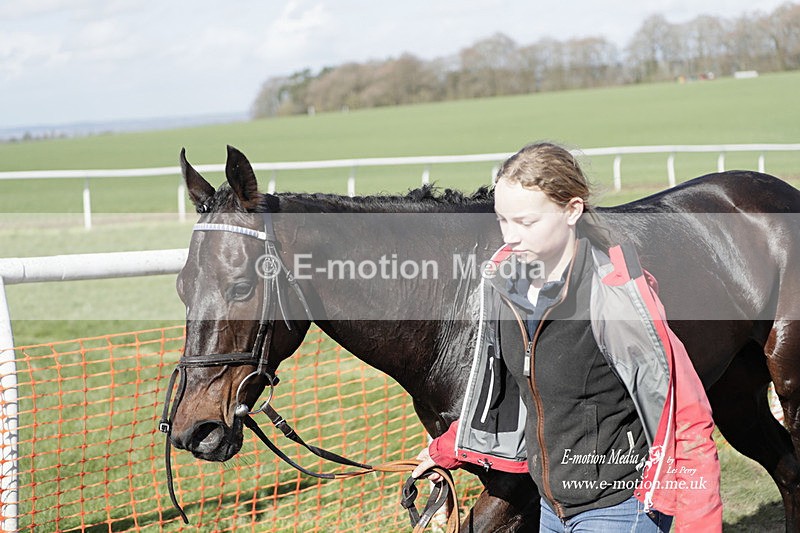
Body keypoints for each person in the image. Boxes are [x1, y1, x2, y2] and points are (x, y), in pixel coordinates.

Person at [412, 142, 722, 532]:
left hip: (620, 509)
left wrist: (700, 525)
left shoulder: (616, 295)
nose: (512, 236)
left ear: (572, 210)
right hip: (553, 512)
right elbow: (523, 398)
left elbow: (686, 418)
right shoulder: (506, 292)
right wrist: (445, 449)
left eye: (527, 222)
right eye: (503, 221)